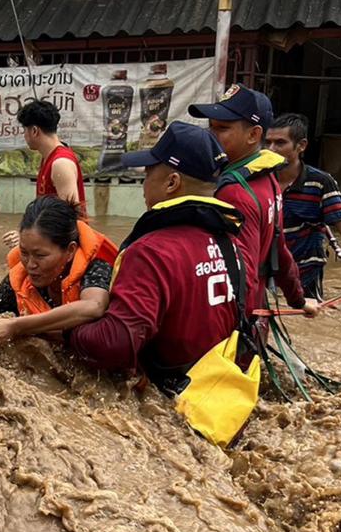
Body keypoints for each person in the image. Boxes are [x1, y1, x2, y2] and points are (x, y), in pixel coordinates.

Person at [69, 121, 247, 389]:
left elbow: (114, 345)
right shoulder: (231, 243)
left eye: (148, 173)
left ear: (172, 182)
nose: (143, 184)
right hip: (221, 389)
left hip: (171, 393)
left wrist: (64, 329)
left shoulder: (151, 251)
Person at [189, 85, 309, 315]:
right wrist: (298, 300)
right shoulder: (268, 179)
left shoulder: (232, 192)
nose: (211, 136)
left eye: (222, 128)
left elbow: (240, 270)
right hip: (255, 310)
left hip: (236, 321)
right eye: (211, 127)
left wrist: (237, 326)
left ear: (254, 135)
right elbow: (280, 248)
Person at [266, 113, 341, 300]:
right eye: (268, 143)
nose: (271, 149)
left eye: (280, 143)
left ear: (301, 146)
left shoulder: (320, 183)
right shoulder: (259, 180)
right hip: (267, 274)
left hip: (305, 275)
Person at [0, 197, 116, 343]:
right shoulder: (20, 278)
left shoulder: (96, 268)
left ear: (70, 251)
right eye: (24, 252)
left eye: (40, 255)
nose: (30, 264)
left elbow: (94, 306)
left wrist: (17, 326)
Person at [18, 99, 86, 213]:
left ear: (34, 131)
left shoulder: (61, 163)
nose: (24, 135)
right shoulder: (47, 157)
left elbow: (70, 218)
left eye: (24, 130)